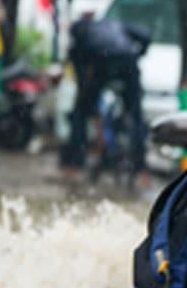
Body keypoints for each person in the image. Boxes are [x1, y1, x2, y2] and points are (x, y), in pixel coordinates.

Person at [60, 14, 150, 177]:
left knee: (80, 112)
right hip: (128, 60)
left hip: (104, 62)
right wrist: (139, 54)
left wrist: (84, 99)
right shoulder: (114, 24)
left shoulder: (82, 39)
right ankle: (140, 165)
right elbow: (145, 35)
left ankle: (76, 160)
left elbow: (82, 80)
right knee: (135, 113)